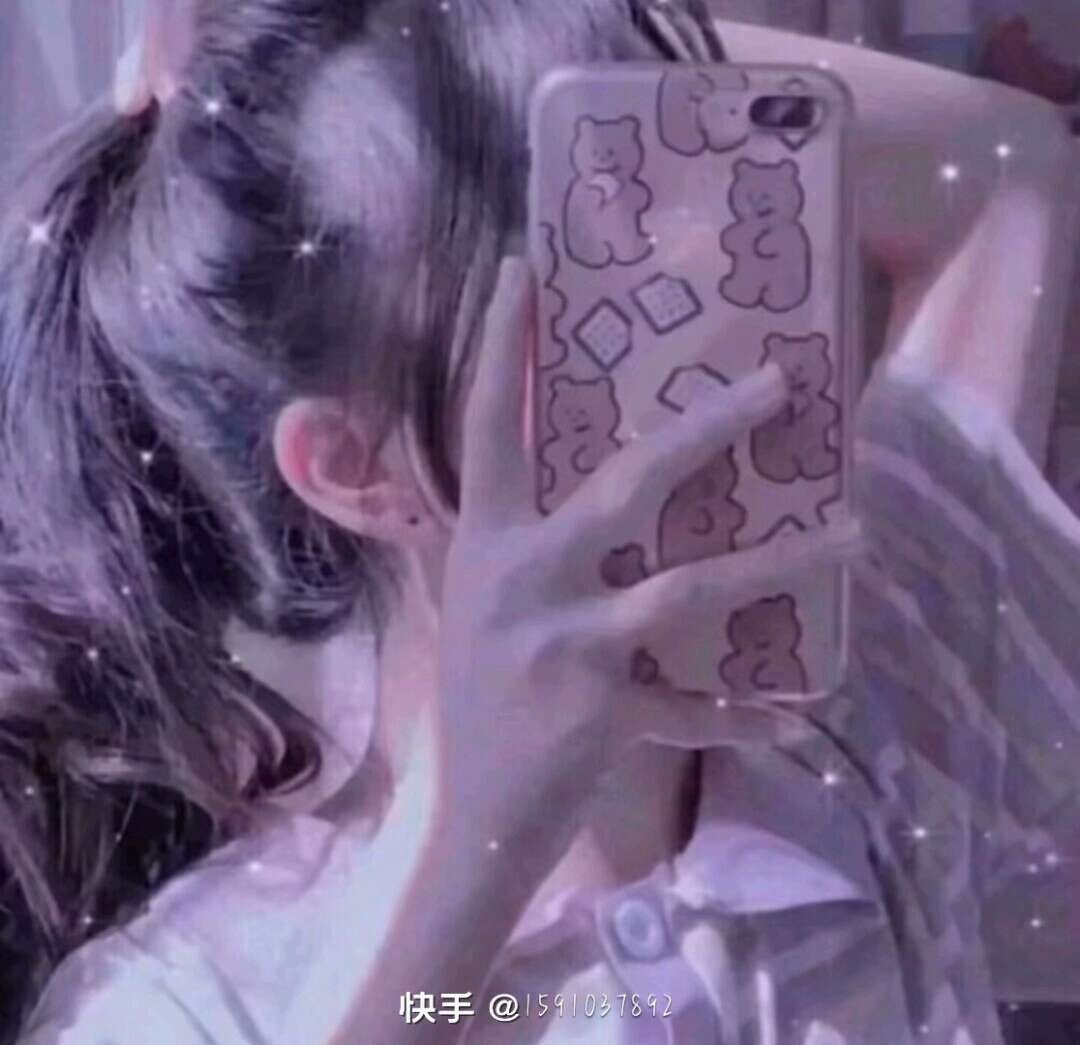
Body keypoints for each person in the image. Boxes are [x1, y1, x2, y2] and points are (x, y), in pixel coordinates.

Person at [2, 2, 1079, 1043]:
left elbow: (1001, 172)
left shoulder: (887, 679)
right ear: (358, 467)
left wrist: (463, 23)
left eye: (730, 269)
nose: (733, 359)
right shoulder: (200, 1004)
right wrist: (471, 846)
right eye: (610, 308)